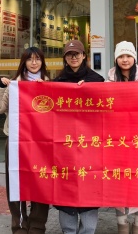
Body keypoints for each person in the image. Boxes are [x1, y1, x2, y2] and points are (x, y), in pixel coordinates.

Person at [0, 47, 50, 234]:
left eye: (37, 59)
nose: (34, 63)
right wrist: (0, 87)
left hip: (41, 144)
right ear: (24, 62)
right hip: (16, 142)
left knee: (41, 183)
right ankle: (19, 225)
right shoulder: (13, 85)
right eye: (30, 59)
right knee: (15, 182)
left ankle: (37, 226)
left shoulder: (49, 85)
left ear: (42, 62)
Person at [53, 39, 105, 234]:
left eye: (77, 54)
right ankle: (68, 230)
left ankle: (88, 230)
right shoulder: (57, 82)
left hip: (90, 146)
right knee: (66, 188)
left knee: (89, 186)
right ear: (65, 58)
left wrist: (89, 89)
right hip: (65, 146)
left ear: (84, 56)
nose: (73, 57)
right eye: (69, 54)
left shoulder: (97, 80)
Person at [106, 41, 138, 234]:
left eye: (128, 56)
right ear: (116, 59)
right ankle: (122, 225)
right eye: (121, 56)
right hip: (116, 141)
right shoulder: (108, 82)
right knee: (119, 181)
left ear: (134, 58)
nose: (125, 60)